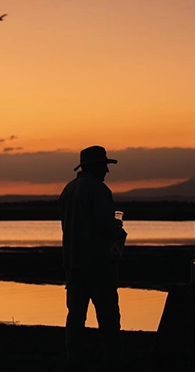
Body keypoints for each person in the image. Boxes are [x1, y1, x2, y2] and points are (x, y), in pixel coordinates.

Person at [59, 145, 127, 371]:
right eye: (104, 166)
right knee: (107, 313)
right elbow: (105, 226)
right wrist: (118, 231)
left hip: (72, 261)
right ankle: (112, 358)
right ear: (96, 166)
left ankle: (74, 358)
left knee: (76, 314)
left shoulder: (68, 189)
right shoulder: (98, 190)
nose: (107, 171)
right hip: (98, 262)